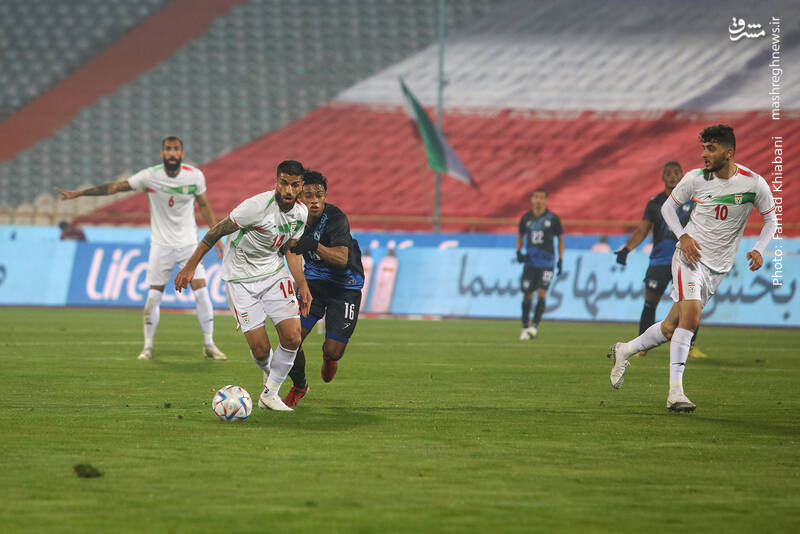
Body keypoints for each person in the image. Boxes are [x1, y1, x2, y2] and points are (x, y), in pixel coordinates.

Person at [607, 125, 777, 412]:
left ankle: (625, 349)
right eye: (703, 148)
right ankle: (676, 393)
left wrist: (759, 248)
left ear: (729, 153)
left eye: (711, 149)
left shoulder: (753, 183)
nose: (704, 154)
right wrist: (683, 236)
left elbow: (771, 219)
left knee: (670, 326)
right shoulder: (695, 178)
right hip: (689, 258)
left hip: (718, 268)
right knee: (692, 317)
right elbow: (667, 209)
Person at [55, 136, 226, 361]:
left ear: (182, 154)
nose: (172, 153)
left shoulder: (195, 176)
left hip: (189, 245)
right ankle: (148, 347)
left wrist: (215, 236)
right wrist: (80, 193)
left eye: (176, 149)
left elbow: (204, 205)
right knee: (154, 296)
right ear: (162, 153)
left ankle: (209, 344)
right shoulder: (150, 176)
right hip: (161, 246)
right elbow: (114, 188)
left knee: (202, 292)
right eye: (168, 149)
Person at [175, 160, 311, 412]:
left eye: (294, 185)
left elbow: (291, 249)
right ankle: (269, 372)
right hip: (241, 279)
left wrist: (301, 283)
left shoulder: (301, 214)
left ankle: (270, 394)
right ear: (276, 182)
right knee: (261, 350)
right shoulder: (255, 208)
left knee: (293, 336)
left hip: (274, 273)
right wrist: (190, 266)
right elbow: (216, 231)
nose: (288, 190)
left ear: (301, 186)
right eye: (283, 183)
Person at [282, 170, 365, 407]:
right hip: (314, 285)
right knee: (291, 339)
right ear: (299, 197)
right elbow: (289, 251)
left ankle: (329, 358)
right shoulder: (292, 219)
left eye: (319, 195)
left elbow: (341, 259)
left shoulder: (336, 218)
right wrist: (300, 282)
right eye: (308, 195)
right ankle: (299, 386)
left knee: (334, 350)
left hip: (345, 287)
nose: (315, 201)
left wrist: (314, 245)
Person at [615, 162, 708, 359]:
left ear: (682, 175)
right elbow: (642, 230)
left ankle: (690, 347)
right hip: (660, 261)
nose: (672, 176)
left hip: (685, 260)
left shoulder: (693, 201)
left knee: (690, 304)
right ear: (663, 177)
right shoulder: (655, 203)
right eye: (668, 173)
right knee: (650, 302)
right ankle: (642, 347)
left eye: (676, 173)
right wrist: (627, 249)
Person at [515, 188, 564, 340]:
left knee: (542, 293)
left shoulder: (553, 219)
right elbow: (520, 236)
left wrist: (560, 259)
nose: (538, 200)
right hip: (530, 262)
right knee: (527, 293)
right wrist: (518, 252)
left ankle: (534, 327)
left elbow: (560, 239)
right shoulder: (526, 218)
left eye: (542, 198)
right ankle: (524, 327)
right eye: (536, 197)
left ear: (546, 200)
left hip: (547, 263)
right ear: (532, 199)